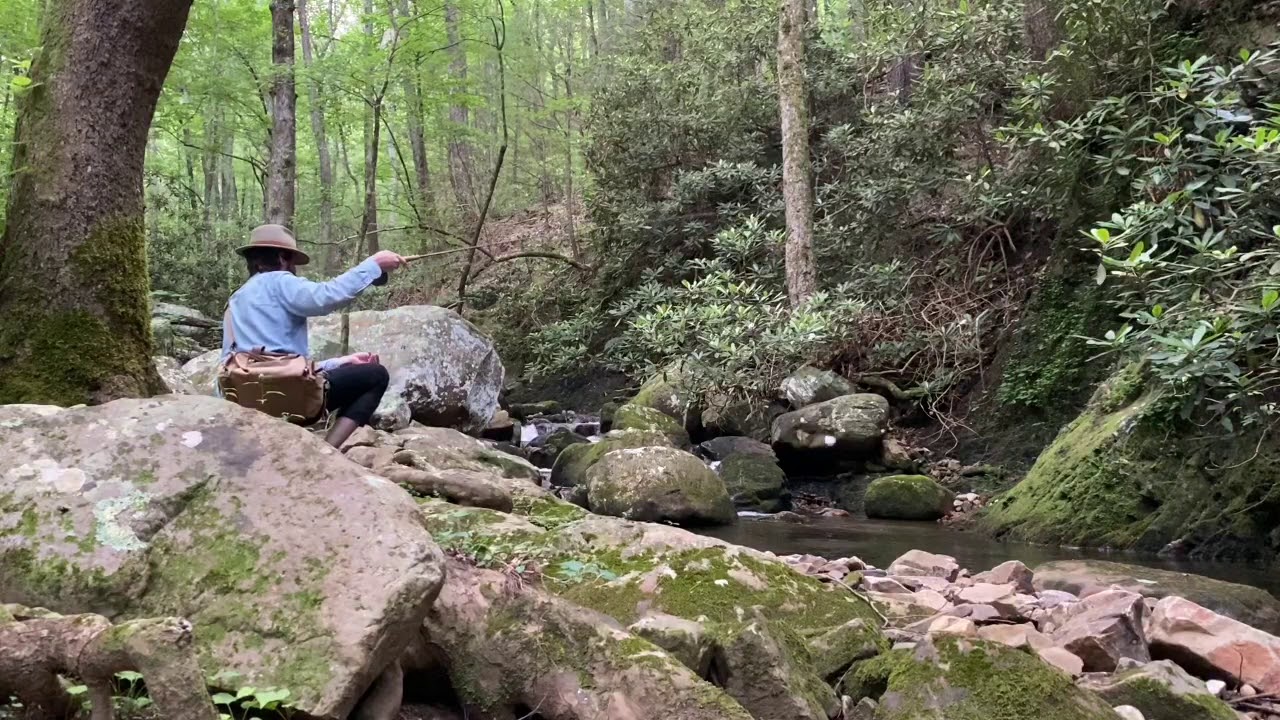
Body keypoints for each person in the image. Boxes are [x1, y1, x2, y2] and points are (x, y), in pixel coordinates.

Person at [220, 224, 406, 447]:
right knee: (376, 376)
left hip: (248, 399)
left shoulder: (235, 300)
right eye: (292, 262)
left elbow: (267, 361)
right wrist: (373, 265)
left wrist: (340, 362)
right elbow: (326, 297)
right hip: (287, 396)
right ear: (282, 257)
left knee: (350, 371)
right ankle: (327, 450)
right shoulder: (280, 281)